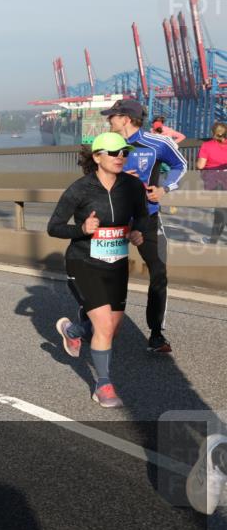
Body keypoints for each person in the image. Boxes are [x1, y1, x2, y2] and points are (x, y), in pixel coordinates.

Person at [49, 133, 148, 408]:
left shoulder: (132, 186)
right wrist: (81, 230)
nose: (120, 157)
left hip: (116, 265)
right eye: (113, 153)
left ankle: (75, 330)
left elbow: (142, 215)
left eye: (124, 153)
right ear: (97, 157)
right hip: (83, 263)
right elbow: (54, 227)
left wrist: (138, 231)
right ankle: (103, 384)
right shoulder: (80, 189)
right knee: (104, 326)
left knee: (112, 330)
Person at [102, 98, 187, 353]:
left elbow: (179, 165)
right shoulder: (107, 144)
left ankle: (156, 334)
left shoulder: (156, 143)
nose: (109, 120)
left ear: (126, 118)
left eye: (113, 116)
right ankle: (91, 322)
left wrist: (164, 189)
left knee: (159, 272)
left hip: (146, 218)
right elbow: (90, 174)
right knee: (107, 275)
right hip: (114, 218)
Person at [198, 121, 227, 244]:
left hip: (214, 179)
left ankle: (213, 241)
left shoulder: (207, 145)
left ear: (212, 133)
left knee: (220, 210)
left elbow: (200, 165)